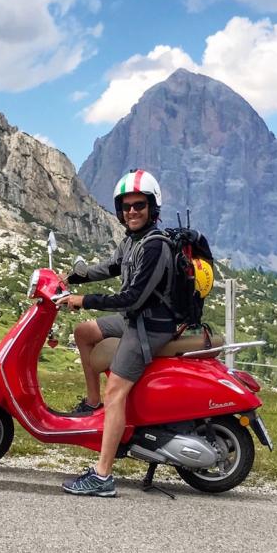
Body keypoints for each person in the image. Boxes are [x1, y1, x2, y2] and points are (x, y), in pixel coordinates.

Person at [56, 169, 176, 497]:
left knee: (116, 392)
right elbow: (109, 267)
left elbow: (132, 297)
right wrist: (70, 278)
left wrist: (84, 300)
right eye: (125, 207)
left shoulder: (155, 246)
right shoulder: (132, 241)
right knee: (83, 333)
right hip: (133, 318)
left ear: (153, 207)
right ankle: (92, 403)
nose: (132, 211)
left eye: (139, 205)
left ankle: (103, 475)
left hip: (148, 326)